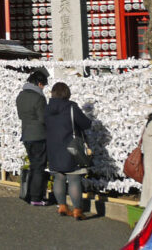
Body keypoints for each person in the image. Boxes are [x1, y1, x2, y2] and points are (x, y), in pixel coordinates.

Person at [44, 82, 92, 219]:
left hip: (53, 148)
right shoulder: (71, 107)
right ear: (67, 93)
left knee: (58, 177)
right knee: (74, 178)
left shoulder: (47, 108)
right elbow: (85, 124)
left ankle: (62, 207)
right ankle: (77, 210)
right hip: (70, 147)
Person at [16, 69, 49, 206]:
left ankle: (29, 194)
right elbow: (43, 118)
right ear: (39, 83)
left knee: (33, 165)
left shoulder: (21, 95)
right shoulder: (39, 97)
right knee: (39, 167)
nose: (43, 88)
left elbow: (20, 116)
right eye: (43, 85)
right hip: (39, 135)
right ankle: (36, 197)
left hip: (26, 134)